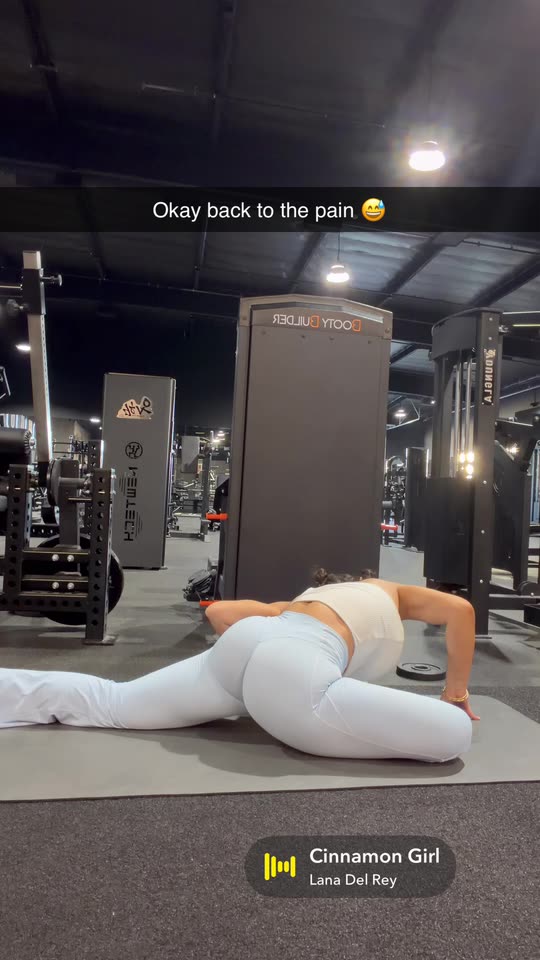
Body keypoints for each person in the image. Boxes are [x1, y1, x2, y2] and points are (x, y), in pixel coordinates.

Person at [0, 569, 477, 763]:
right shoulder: (390, 591)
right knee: (454, 735)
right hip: (293, 668)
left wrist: (255, 679)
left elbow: (220, 613)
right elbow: (461, 610)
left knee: (113, 701)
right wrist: (455, 693)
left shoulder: (312, 597)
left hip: (248, 646)